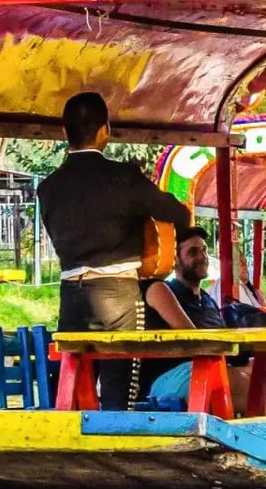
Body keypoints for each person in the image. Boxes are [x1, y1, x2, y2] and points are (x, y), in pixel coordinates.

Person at [37, 91, 191, 407]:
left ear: (64, 132)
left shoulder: (48, 187)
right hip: (117, 295)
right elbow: (178, 214)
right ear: (105, 130)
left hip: (71, 297)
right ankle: (117, 438)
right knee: (118, 392)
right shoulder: (122, 177)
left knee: (76, 390)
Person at [141, 227, 266, 406]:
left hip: (213, 363)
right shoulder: (164, 290)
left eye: (204, 250)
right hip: (182, 373)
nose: (202, 256)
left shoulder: (207, 299)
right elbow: (195, 341)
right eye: (193, 252)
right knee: (259, 380)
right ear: (175, 261)